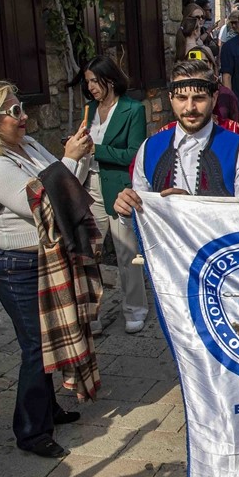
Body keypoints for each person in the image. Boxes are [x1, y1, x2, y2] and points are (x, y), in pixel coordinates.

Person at [114, 60, 239, 477]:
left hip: (227, 286)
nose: (190, 106)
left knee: (222, 381)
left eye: (198, 97)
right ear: (171, 99)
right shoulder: (152, 149)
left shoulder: (236, 149)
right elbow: (140, 211)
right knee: (197, 382)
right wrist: (129, 205)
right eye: (181, 97)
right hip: (174, 287)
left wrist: (192, 209)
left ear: (212, 99)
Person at [0, 81, 93, 459]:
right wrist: (69, 159)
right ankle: (31, 430)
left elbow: (70, 185)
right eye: (15, 111)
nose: (24, 117)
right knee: (36, 346)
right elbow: (39, 202)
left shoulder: (28, 146)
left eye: (21, 107)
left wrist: (80, 156)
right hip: (14, 266)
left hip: (42, 256)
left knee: (50, 338)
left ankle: (48, 409)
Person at [81, 56, 147, 334]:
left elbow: (135, 154)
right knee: (89, 253)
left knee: (126, 252)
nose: (91, 87)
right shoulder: (89, 109)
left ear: (110, 79)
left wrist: (98, 150)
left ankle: (135, 309)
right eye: (88, 82)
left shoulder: (133, 109)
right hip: (88, 187)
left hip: (119, 187)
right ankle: (91, 313)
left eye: (95, 81)